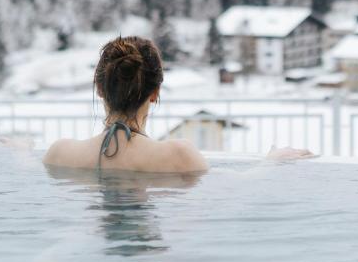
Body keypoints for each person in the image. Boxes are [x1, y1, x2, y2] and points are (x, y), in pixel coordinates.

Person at [43, 35, 314, 173]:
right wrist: (271, 165)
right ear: (155, 93)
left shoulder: (60, 154)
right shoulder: (178, 156)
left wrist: (18, 152)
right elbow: (233, 191)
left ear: (99, 89)